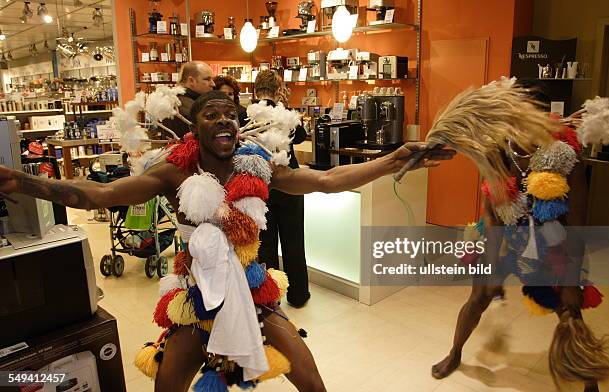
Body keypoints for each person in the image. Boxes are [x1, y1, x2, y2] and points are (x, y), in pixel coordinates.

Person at [0, 90, 454, 392]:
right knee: (167, 386)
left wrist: (396, 159)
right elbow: (100, 193)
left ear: (239, 127)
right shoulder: (173, 172)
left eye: (231, 116)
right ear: (195, 126)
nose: (224, 121)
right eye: (212, 114)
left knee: (311, 379)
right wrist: (21, 182)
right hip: (197, 302)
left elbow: (329, 179)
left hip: (254, 295)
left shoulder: (256, 167)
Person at [426, 79, 609, 392]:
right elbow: (490, 209)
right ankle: (455, 353)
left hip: (552, 242)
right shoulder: (497, 153)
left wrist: (567, 280)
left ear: (542, 119)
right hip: (504, 234)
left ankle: (586, 373)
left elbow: (577, 223)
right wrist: (494, 261)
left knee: (568, 307)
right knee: (478, 298)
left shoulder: (565, 158)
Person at [253, 69, 311, 307]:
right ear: (279, 89)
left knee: (265, 244)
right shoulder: (284, 113)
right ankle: (298, 295)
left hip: (262, 184)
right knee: (294, 241)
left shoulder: (249, 113)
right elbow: (301, 136)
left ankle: (270, 296)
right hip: (289, 184)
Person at [161, 61, 215, 138]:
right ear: (191, 81)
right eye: (207, 79)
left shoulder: (178, 101)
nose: (213, 84)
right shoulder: (189, 106)